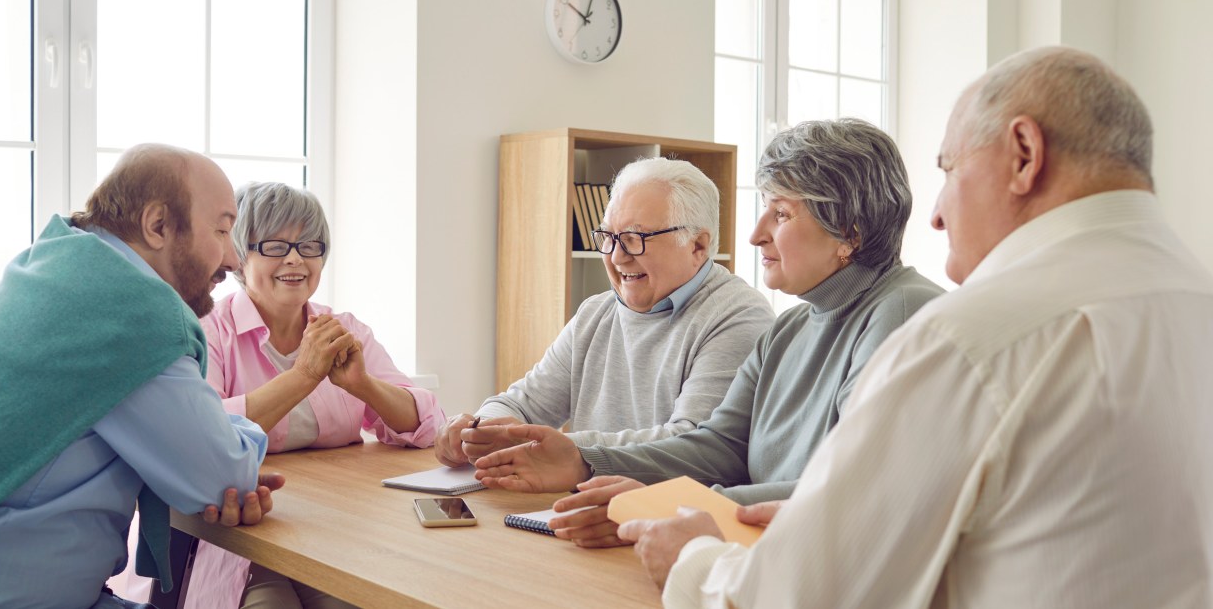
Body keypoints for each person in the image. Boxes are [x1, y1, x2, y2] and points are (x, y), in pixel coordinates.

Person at [617, 46, 1213, 608]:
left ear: (1024, 154)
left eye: (949, 169)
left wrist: (694, 558)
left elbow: (798, 595)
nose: (934, 213)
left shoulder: (973, 338)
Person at [473, 119, 944, 547]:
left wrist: (666, 509)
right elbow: (718, 447)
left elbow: (853, 486)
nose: (756, 234)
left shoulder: (902, 315)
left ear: (850, 233)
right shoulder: (790, 329)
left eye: (779, 214)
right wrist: (584, 461)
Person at [0, 144, 280, 609]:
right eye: (221, 230)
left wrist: (215, 431)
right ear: (157, 226)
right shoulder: (128, 314)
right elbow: (223, 476)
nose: (235, 259)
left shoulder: (58, 274)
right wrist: (238, 434)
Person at [183, 182, 447, 609]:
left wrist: (364, 386)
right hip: (245, 536)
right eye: (274, 245)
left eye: (309, 245)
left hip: (340, 531)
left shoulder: (343, 329)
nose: (295, 259)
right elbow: (204, 431)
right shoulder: (209, 331)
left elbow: (425, 423)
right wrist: (304, 374)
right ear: (239, 256)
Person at [434, 158, 775, 468]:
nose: (616, 257)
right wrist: (479, 429)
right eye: (609, 237)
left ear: (698, 246)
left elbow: (692, 445)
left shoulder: (738, 317)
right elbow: (522, 405)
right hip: (586, 508)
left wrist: (560, 451)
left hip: (673, 518)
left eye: (635, 238)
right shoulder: (595, 313)